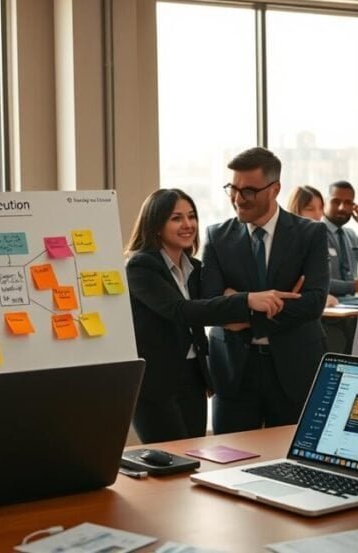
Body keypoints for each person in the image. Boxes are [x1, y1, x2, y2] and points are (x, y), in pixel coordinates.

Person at [125, 188, 300, 443]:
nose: (188, 225)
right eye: (176, 218)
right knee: (171, 461)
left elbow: (216, 305)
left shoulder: (195, 268)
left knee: (193, 456)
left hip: (193, 378)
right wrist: (247, 299)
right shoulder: (141, 266)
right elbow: (181, 311)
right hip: (155, 383)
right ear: (156, 225)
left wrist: (267, 302)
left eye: (191, 216)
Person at [201, 147, 329, 434]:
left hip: (294, 369)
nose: (237, 198)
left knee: (292, 463)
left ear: (274, 190)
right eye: (232, 189)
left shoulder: (310, 234)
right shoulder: (217, 236)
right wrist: (264, 302)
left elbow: (313, 304)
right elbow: (208, 305)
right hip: (234, 371)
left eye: (248, 191)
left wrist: (237, 304)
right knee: (227, 458)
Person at [286, 185, 338, 308]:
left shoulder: (318, 238)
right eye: (310, 209)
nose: (318, 214)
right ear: (296, 210)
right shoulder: (288, 241)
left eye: (321, 208)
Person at [323, 180, 358, 297]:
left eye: (348, 203)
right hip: (328, 307)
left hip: (351, 305)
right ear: (325, 202)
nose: (342, 208)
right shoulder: (315, 233)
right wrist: (354, 286)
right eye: (336, 202)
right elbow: (317, 281)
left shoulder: (351, 235)